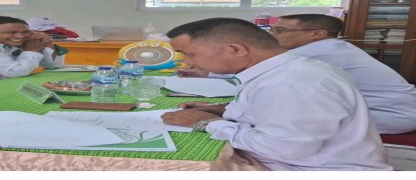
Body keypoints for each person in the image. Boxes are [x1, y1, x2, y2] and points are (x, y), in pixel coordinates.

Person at [161, 18, 391, 171]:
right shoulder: (287, 70)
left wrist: (207, 123)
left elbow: (283, 148)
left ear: (236, 50)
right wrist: (224, 110)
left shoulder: (291, 83)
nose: (187, 62)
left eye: (189, 54)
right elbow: (274, 111)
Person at [269, 14, 416, 134]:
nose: (272, 35)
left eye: (280, 30)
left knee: (284, 120)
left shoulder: (313, 53)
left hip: (395, 116)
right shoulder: (335, 47)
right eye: (272, 29)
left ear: (318, 34)